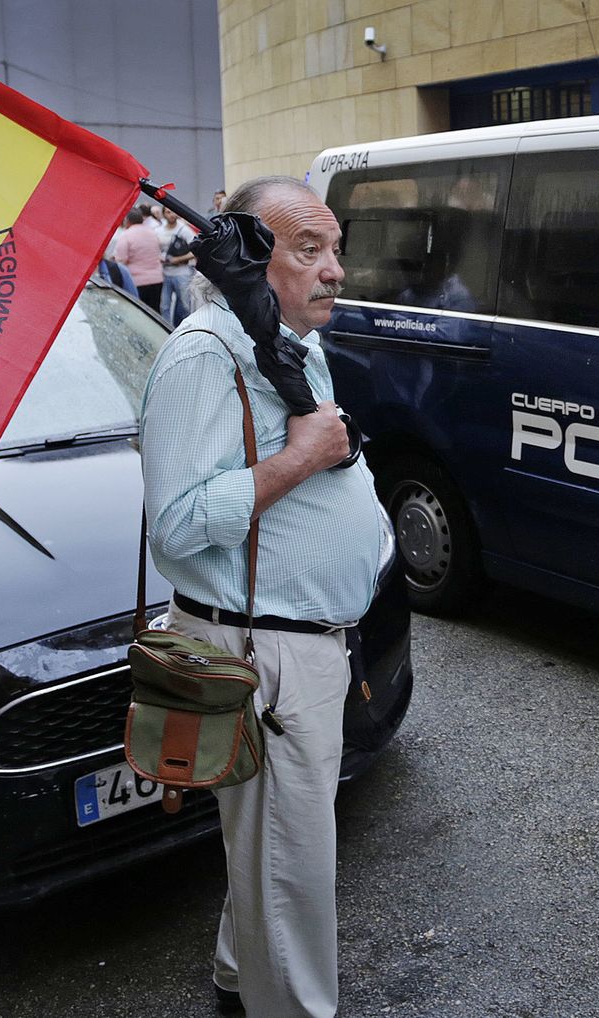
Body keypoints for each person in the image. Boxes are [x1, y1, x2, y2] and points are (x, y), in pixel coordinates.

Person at [140, 174, 389, 1018]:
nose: (335, 272)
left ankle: (238, 980)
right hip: (262, 652)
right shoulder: (204, 354)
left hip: (305, 644)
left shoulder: (282, 337)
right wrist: (300, 460)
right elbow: (175, 527)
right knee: (292, 868)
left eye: (336, 252)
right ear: (250, 252)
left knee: (273, 846)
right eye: (309, 251)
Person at [112, 206, 165, 311]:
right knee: (155, 311)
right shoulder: (152, 233)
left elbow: (121, 260)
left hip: (137, 281)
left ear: (127, 220)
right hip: (157, 278)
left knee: (140, 312)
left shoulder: (126, 235)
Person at [157, 207, 196, 326]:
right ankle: (167, 329)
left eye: (173, 211)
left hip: (182, 272)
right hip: (165, 272)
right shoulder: (158, 230)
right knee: (164, 306)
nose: (171, 215)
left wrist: (178, 259)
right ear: (163, 214)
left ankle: (189, 329)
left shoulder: (184, 230)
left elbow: (196, 248)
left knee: (185, 305)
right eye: (168, 212)